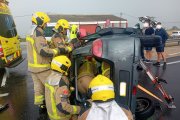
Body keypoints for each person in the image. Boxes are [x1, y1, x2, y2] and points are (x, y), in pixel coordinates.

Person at [26, 12, 71, 112]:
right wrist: (57, 51)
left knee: (38, 88)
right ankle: (53, 108)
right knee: (50, 87)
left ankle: (41, 105)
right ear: (40, 21)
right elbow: (43, 51)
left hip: (33, 67)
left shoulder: (30, 31)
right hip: (41, 67)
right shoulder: (38, 32)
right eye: (45, 23)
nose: (45, 25)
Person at [45, 55, 81, 120]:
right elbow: (63, 107)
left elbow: (55, 95)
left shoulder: (49, 77)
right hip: (61, 117)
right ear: (63, 68)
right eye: (68, 67)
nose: (69, 69)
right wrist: (80, 109)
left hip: (52, 114)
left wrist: (68, 92)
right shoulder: (62, 86)